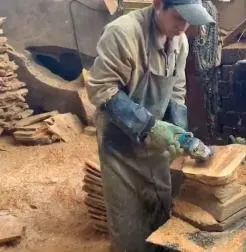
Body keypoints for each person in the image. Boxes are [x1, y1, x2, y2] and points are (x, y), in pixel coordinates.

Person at [86, 0, 214, 251]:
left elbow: (176, 90)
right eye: (178, 17)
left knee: (160, 209)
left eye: (189, 19)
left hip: (155, 141)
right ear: (158, 4)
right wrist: (150, 128)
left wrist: (179, 133)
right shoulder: (123, 33)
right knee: (129, 222)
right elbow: (102, 89)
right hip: (120, 143)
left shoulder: (180, 41)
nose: (183, 26)